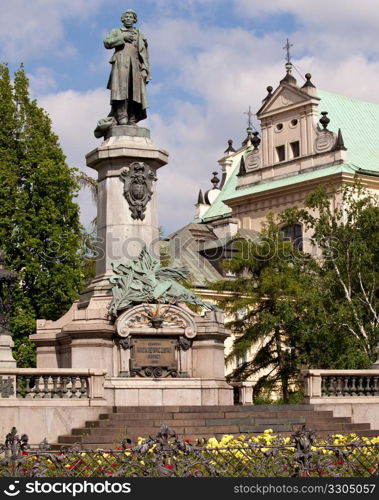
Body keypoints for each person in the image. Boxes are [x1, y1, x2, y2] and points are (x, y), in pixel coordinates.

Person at [104, 10, 150, 126]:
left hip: (135, 65)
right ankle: (122, 115)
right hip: (120, 63)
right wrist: (122, 37)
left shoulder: (139, 33)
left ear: (135, 20)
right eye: (126, 16)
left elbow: (144, 54)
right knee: (121, 91)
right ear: (122, 19)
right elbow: (106, 43)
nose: (129, 18)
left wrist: (144, 69)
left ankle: (132, 117)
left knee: (135, 92)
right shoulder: (116, 31)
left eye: (131, 17)